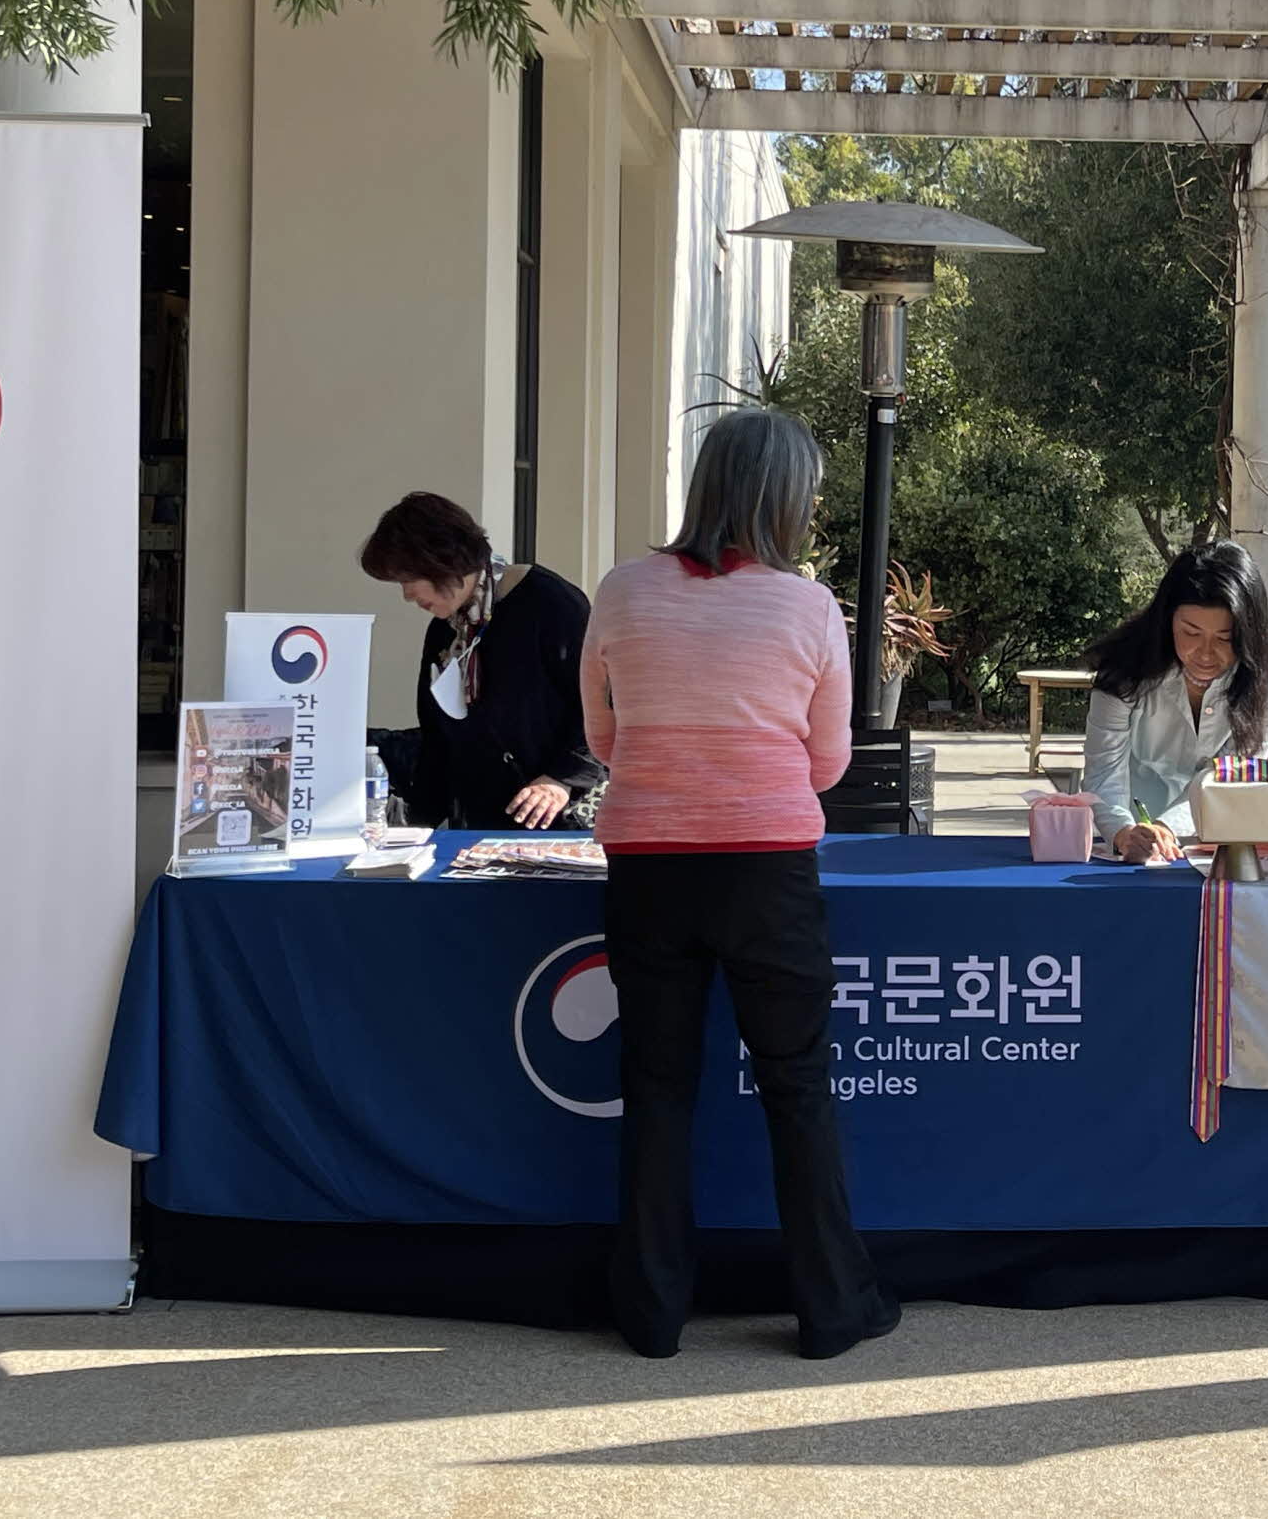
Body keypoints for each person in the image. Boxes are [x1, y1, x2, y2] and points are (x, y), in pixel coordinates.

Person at [579, 406, 896, 1362]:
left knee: (657, 1085)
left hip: (647, 862)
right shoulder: (807, 610)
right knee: (798, 1086)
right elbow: (831, 764)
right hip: (767, 869)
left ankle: (650, 1312)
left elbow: (603, 739)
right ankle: (833, 1306)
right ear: (785, 501)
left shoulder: (621, 593)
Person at [358, 492, 602, 831]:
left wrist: (562, 778)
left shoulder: (551, 605)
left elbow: (603, 704)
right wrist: (416, 824)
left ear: (441, 563)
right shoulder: (445, 631)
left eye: (408, 580)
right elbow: (437, 740)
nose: (407, 595)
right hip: (477, 826)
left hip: (556, 822)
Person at [1082, 540, 1268, 862]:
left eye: (1225, 638)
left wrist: (1169, 827)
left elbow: (1233, 773)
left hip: (1224, 836)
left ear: (1249, 631)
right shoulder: (1125, 664)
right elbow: (1104, 767)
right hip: (1130, 832)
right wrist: (1122, 832)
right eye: (1190, 632)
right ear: (1167, 619)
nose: (1205, 653)